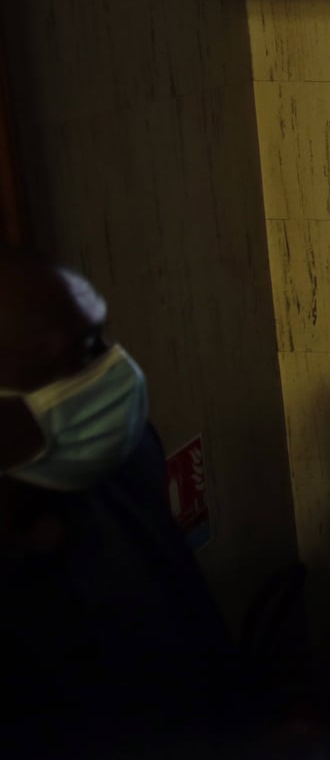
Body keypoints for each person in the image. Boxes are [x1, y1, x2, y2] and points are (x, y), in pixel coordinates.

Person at [0, 248, 242, 758]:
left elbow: (190, 630)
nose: (118, 371)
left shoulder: (123, 462)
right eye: (82, 356)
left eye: (104, 339)